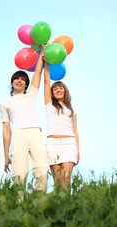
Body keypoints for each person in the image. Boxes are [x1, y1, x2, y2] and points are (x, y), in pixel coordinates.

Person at [0, 45, 49, 191]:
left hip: (35, 133)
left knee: (43, 170)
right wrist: (5, 155)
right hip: (18, 135)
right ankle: (20, 207)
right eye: (16, 79)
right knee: (19, 175)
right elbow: (6, 129)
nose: (19, 81)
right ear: (12, 82)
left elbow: (38, 73)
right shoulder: (5, 103)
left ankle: (38, 203)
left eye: (22, 79)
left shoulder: (30, 95)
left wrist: (43, 52)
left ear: (26, 84)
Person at [44, 61, 79, 189]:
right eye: (55, 88)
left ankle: (68, 208)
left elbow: (75, 131)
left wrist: (78, 151)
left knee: (65, 180)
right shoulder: (49, 104)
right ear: (52, 92)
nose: (58, 89)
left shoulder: (72, 109)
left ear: (65, 91)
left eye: (61, 88)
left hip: (69, 144)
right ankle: (58, 208)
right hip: (52, 144)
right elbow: (46, 81)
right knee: (57, 181)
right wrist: (46, 64)